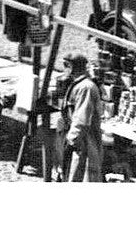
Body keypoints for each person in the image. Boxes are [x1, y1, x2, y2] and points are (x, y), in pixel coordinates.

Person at [58, 52, 103, 182]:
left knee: (83, 176)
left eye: (65, 65)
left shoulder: (86, 87)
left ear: (70, 66)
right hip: (78, 139)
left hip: (84, 140)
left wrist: (71, 141)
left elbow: (81, 120)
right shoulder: (78, 84)